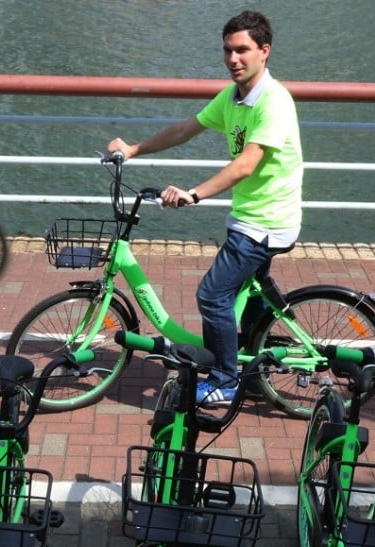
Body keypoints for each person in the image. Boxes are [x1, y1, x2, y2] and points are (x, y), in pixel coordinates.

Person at [108, 10, 303, 404]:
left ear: (264, 52)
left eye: (243, 50)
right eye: (228, 51)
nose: (233, 59)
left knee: (212, 296)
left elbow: (246, 164)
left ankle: (224, 381)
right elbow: (185, 129)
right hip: (249, 217)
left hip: (266, 221)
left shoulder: (273, 101)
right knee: (246, 300)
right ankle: (254, 362)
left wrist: (194, 193)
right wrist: (133, 149)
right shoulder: (233, 96)